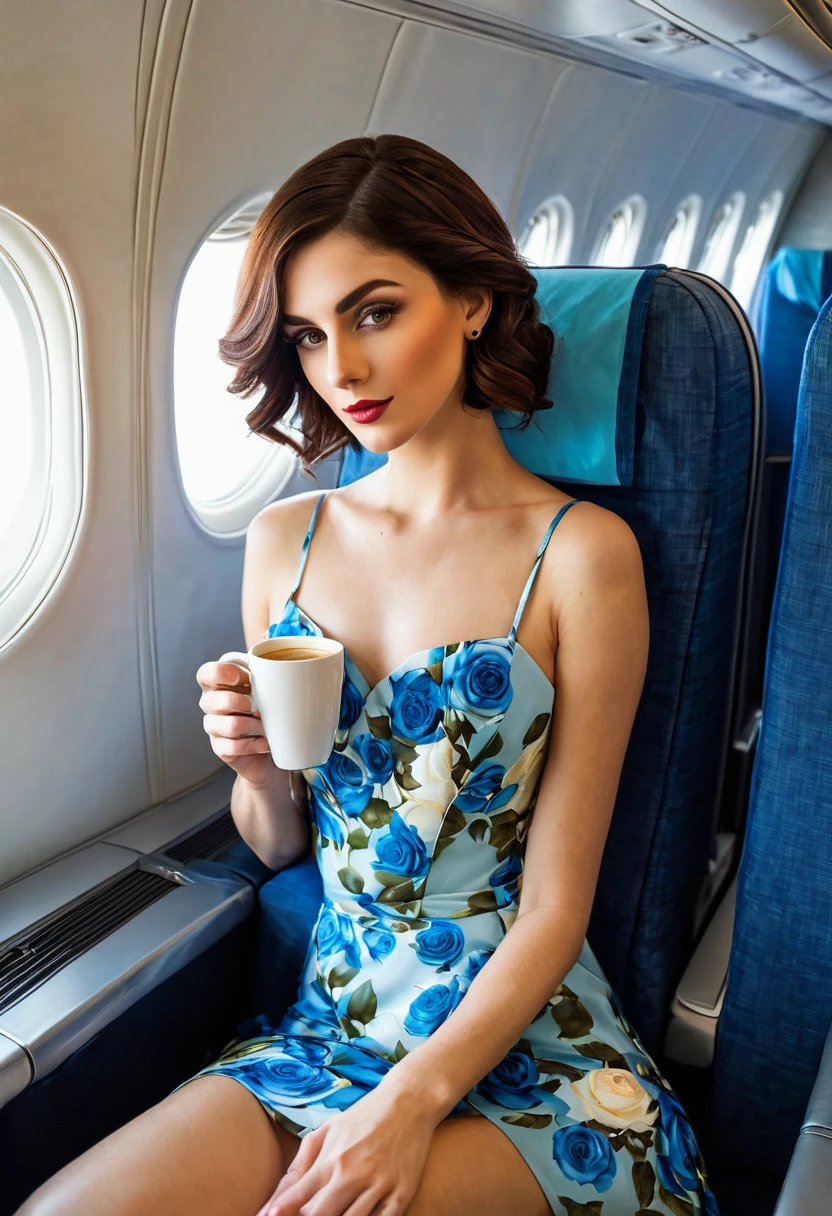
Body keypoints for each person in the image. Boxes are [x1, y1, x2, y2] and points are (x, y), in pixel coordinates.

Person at [19, 134, 719, 1216]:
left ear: (475, 298)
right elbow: (285, 843)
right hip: (329, 1027)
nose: (338, 368)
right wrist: (252, 769)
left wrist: (412, 1099)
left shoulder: (581, 556)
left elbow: (555, 909)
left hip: (525, 1049)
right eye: (307, 333)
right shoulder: (282, 539)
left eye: (375, 312)